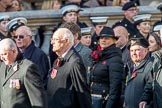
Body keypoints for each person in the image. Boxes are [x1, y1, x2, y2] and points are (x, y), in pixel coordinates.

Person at [47, 28, 91, 108]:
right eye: (52, 39)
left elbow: (82, 92)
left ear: (66, 41)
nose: (52, 42)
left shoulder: (74, 62)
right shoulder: (58, 59)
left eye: (55, 39)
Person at [0, 38, 48, 108]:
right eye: (0, 55)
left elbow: (38, 100)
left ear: (14, 51)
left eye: (4, 54)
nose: (2, 58)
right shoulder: (2, 66)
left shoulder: (27, 68)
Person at [90, 26, 123, 108]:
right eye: (101, 38)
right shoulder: (98, 56)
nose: (103, 40)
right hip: (94, 100)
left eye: (107, 38)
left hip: (104, 101)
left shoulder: (115, 58)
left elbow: (115, 87)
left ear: (114, 40)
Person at [124, 37, 153, 108]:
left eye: (137, 50)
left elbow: (150, 85)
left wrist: (145, 99)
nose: (133, 53)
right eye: (131, 51)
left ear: (146, 51)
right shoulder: (131, 67)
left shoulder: (150, 66)